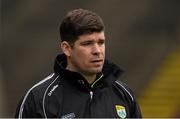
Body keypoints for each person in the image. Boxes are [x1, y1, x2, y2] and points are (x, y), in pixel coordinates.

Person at [15, 8, 142, 118]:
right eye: (87, 44)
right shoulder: (38, 100)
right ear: (67, 48)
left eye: (101, 42)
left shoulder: (124, 95)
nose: (97, 51)